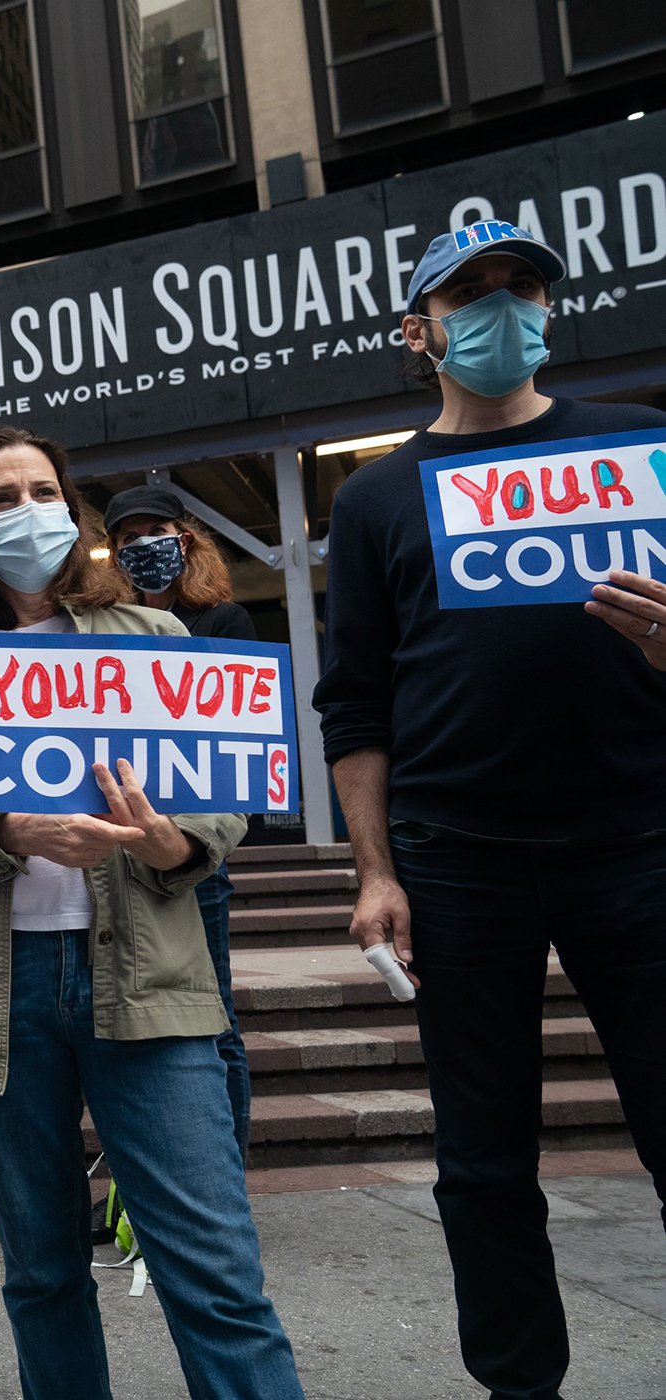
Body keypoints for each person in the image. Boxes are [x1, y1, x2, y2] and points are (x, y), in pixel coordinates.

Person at [0, 425, 304, 1399]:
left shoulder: (157, 639)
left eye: (43, 490)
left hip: (148, 974)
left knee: (217, 1275)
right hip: (0, 995)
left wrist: (173, 841)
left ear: (73, 513)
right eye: (1, 496)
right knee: (42, 1273)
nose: (27, 510)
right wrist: (8, 828)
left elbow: (225, 786)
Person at [315, 222, 666, 1400]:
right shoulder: (371, 499)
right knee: (483, 1160)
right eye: (470, 293)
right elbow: (356, 702)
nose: (503, 306)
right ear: (418, 331)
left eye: (524, 286)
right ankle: (522, 1384)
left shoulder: (643, 447)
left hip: (641, 844)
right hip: (457, 861)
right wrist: (376, 870)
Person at [104, 484, 256, 1159]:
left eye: (154, 532)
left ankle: (223, 1175)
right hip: (118, 852)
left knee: (215, 1023)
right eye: (127, 538)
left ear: (185, 537)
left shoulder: (224, 622)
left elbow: (239, 742)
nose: (143, 548)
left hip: (192, 849)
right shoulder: (106, 627)